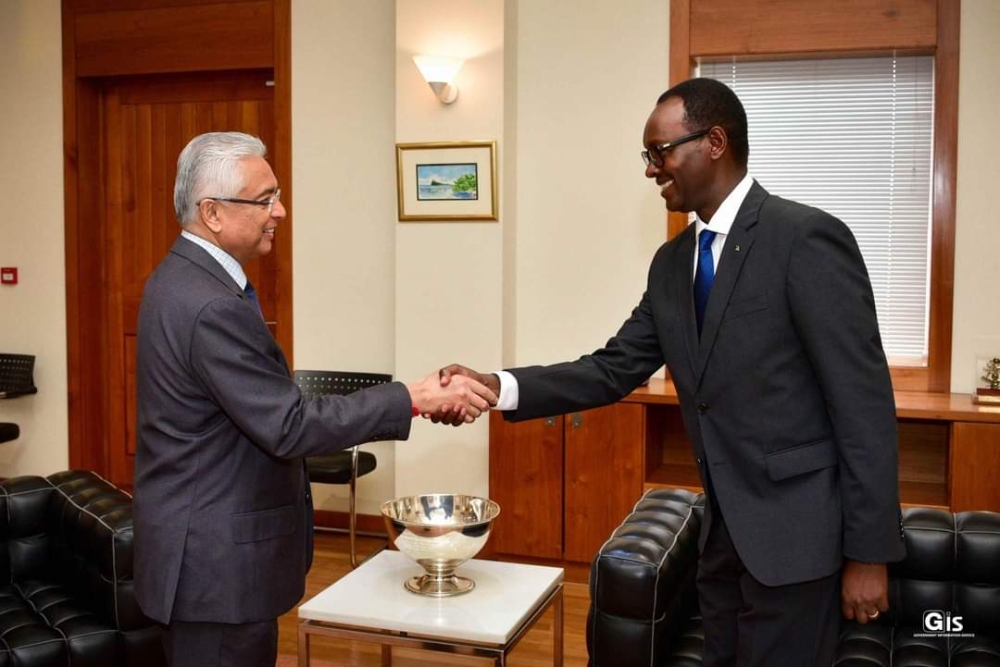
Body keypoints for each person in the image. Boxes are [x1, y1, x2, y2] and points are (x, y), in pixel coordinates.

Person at [436, 78, 905, 667]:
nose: (652, 169)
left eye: (660, 152)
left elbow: (861, 405)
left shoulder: (804, 238)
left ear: (713, 141)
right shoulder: (672, 263)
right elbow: (611, 369)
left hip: (798, 546)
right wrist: (496, 385)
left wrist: (869, 554)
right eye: (648, 155)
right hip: (721, 540)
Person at [133, 131, 497, 667]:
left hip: (205, 559)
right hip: (215, 570)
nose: (279, 211)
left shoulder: (184, 280)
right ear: (211, 212)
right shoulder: (210, 304)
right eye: (264, 199)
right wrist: (413, 397)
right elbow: (290, 424)